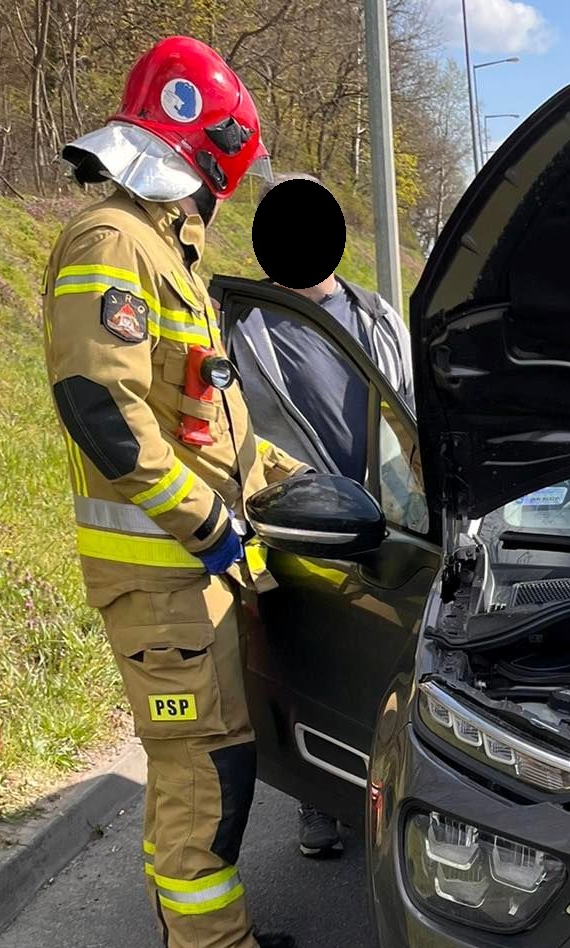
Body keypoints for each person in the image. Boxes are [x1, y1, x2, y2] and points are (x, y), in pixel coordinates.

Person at [42, 36, 309, 948]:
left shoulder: (163, 250)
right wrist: (209, 526)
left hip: (186, 578)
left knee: (210, 757)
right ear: (206, 152)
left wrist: (293, 481)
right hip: (162, 579)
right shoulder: (115, 242)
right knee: (201, 766)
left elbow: (201, 421)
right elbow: (102, 411)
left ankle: (212, 930)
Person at [230, 174, 413, 859]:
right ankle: (319, 797)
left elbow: (409, 401)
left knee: (383, 652)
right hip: (298, 520)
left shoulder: (374, 314)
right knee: (312, 657)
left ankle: (389, 784)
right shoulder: (241, 325)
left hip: (387, 514)